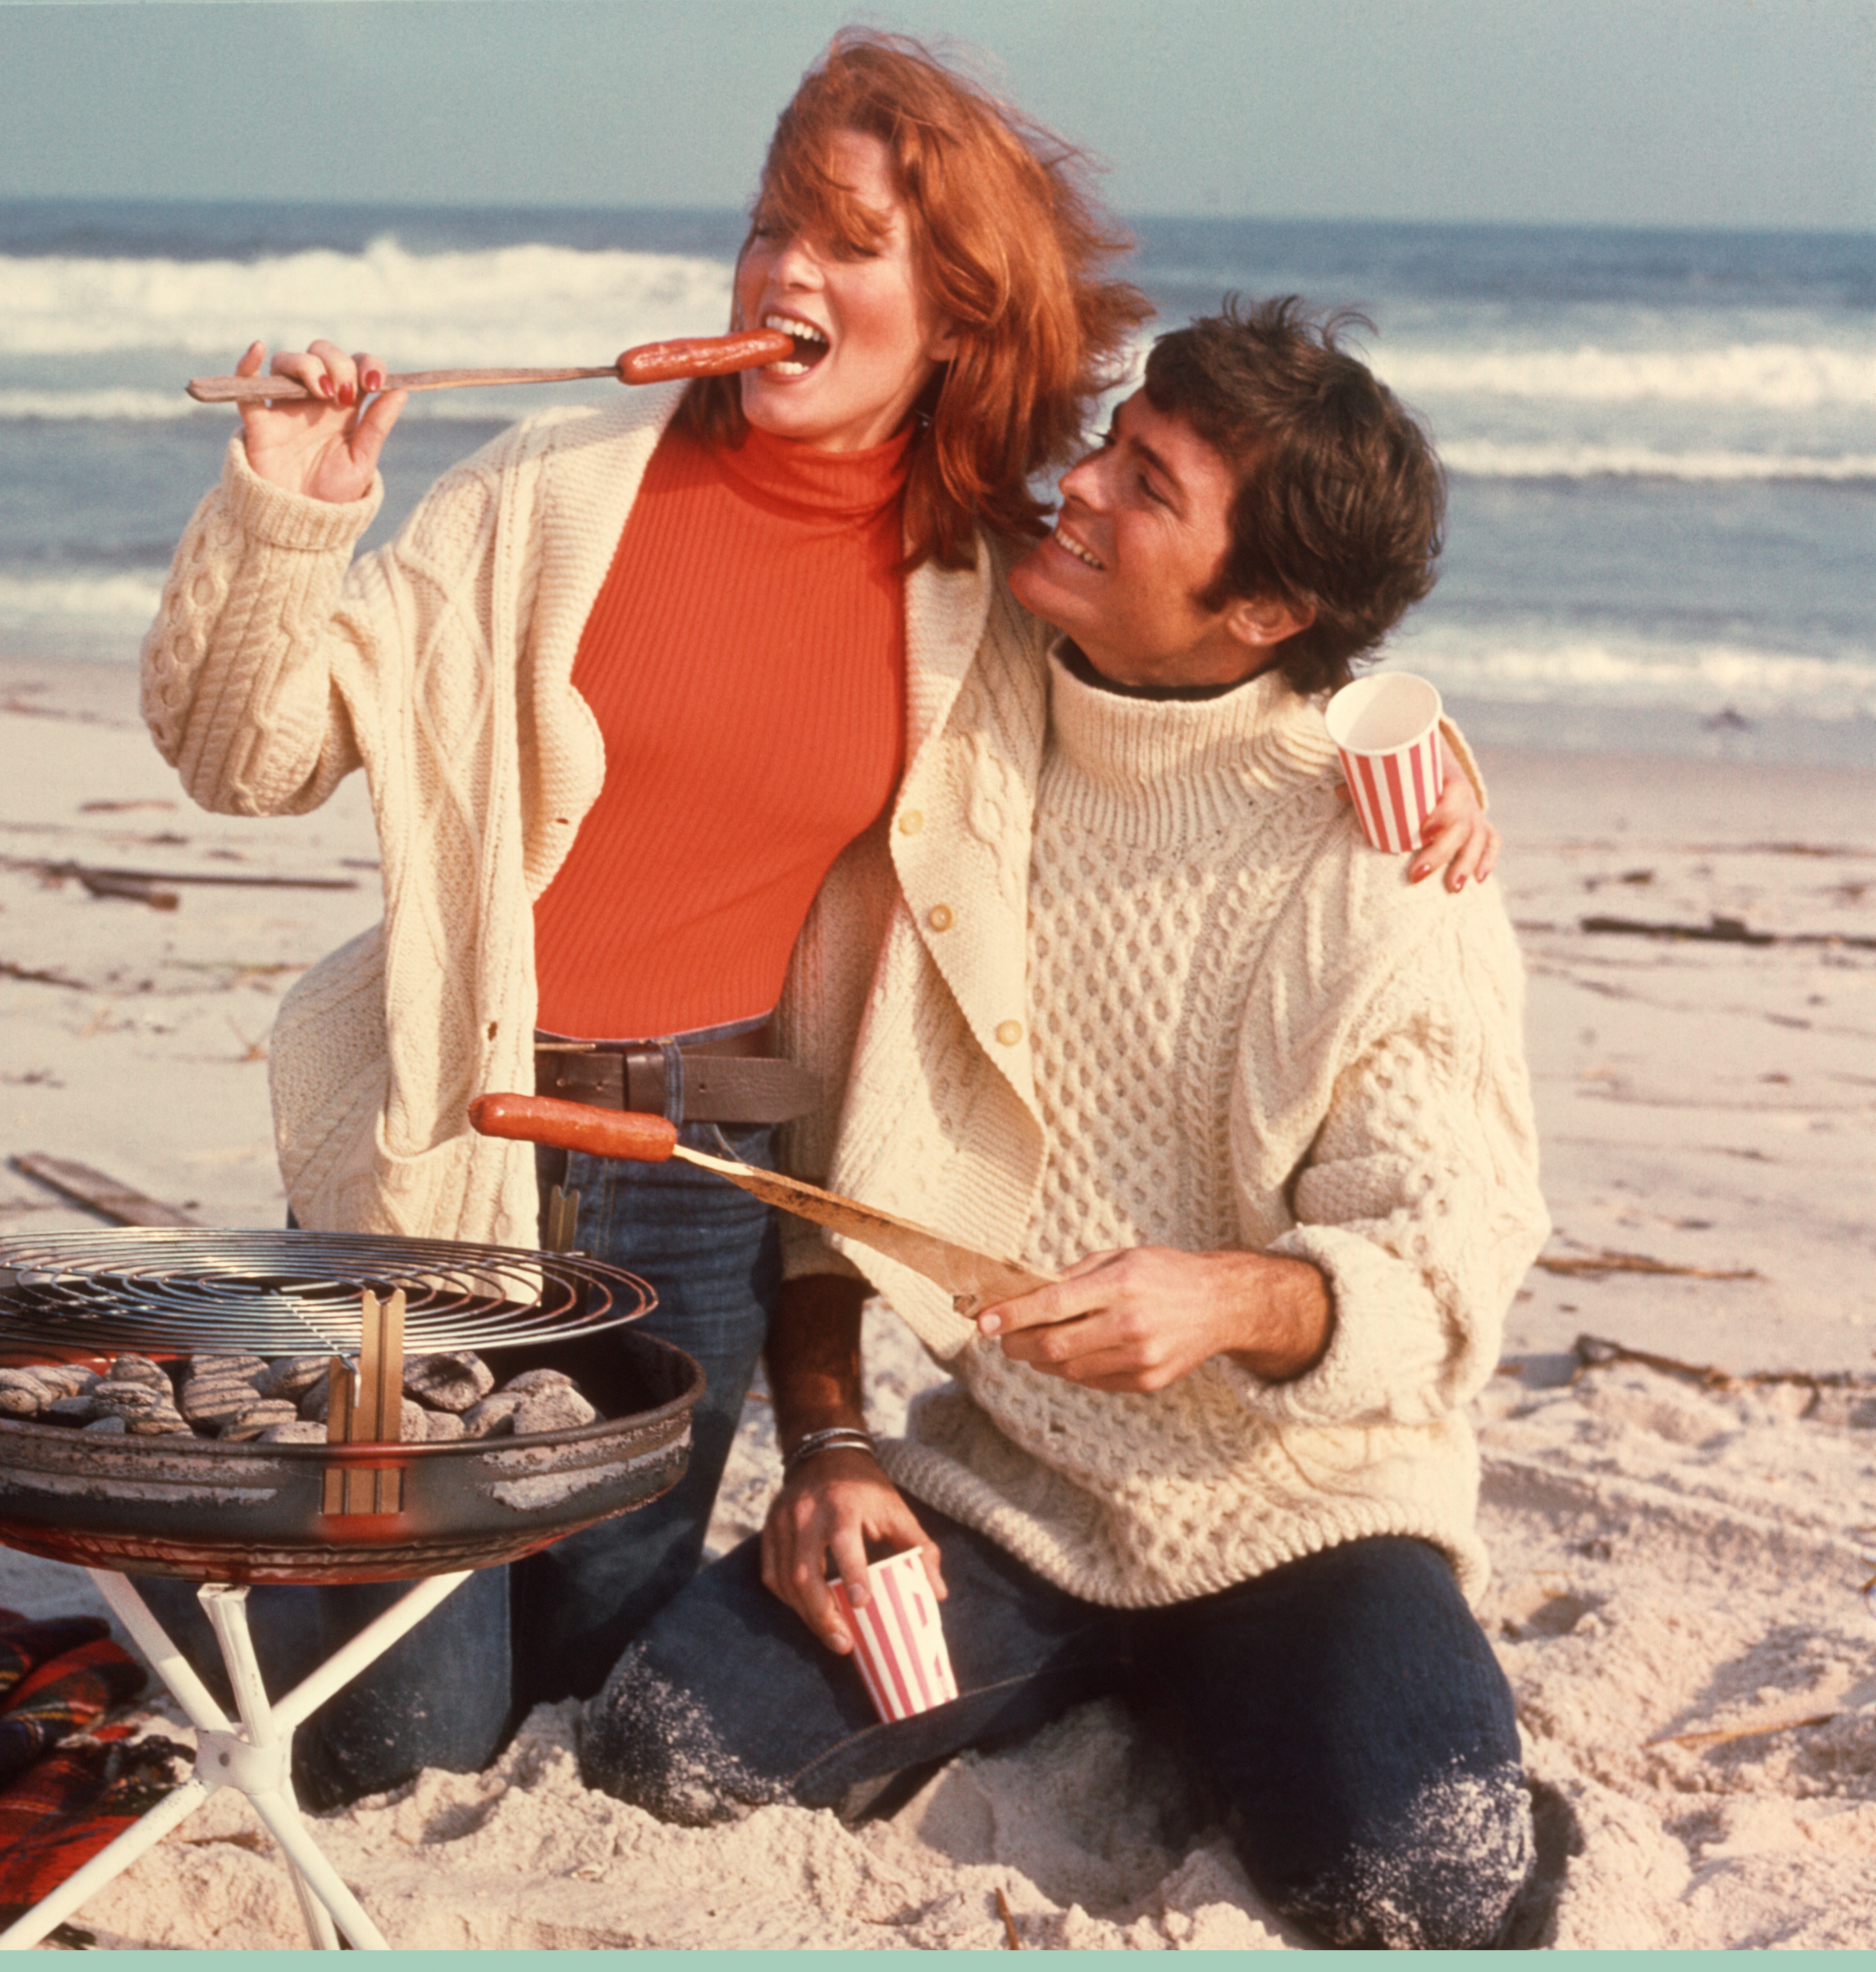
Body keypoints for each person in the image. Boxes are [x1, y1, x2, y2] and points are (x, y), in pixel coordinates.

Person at [580, 298, 1546, 1952]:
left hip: (1307, 1510)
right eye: (1113, 439)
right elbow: (835, 1171)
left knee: (1426, 1882)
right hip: (1008, 1497)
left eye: (1147, 486)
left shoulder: (1387, 862)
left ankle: (1261, 1699)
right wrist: (826, 1447)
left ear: (1262, 609)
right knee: (656, 1751)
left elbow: (1446, 1268)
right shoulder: (963, 713)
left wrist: (1235, 1299)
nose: (1080, 488)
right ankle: (1161, 1700)